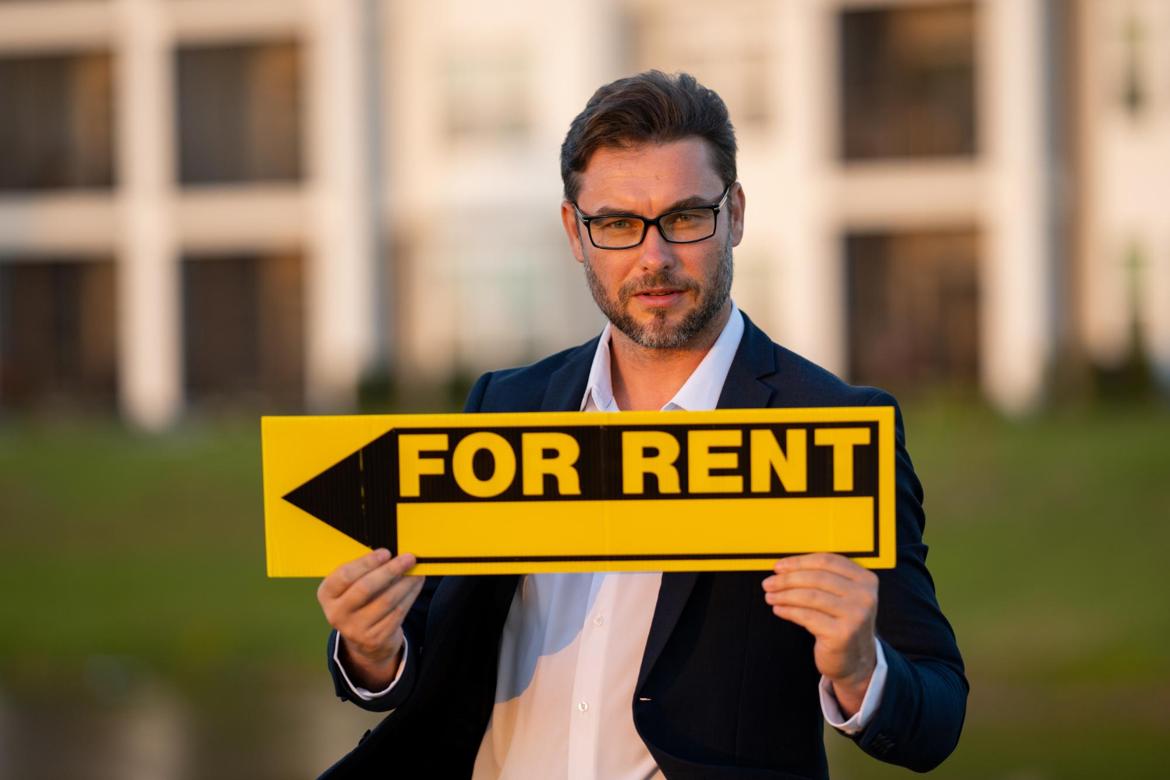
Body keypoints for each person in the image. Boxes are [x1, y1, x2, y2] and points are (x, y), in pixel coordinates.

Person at [315, 71, 966, 778]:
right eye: (619, 224)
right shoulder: (507, 405)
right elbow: (419, 647)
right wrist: (371, 651)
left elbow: (936, 714)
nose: (654, 258)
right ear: (575, 232)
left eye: (685, 217)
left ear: (735, 214)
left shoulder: (833, 429)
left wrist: (861, 669)